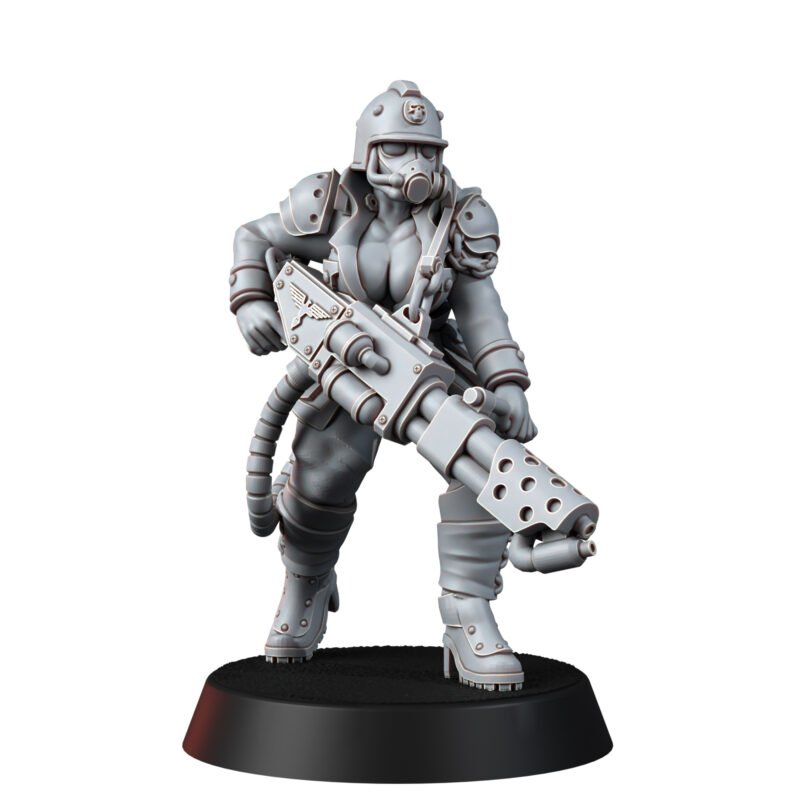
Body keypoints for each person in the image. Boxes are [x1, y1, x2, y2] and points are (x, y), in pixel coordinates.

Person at [229, 81, 536, 691]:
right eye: (398, 149)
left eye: (427, 151)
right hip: (346, 360)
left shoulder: (457, 220)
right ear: (368, 153)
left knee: (487, 462)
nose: (415, 164)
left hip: (432, 365)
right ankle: (306, 581)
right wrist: (250, 301)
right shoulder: (329, 207)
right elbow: (254, 237)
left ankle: (467, 611)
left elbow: (480, 308)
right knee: (321, 477)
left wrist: (507, 382)